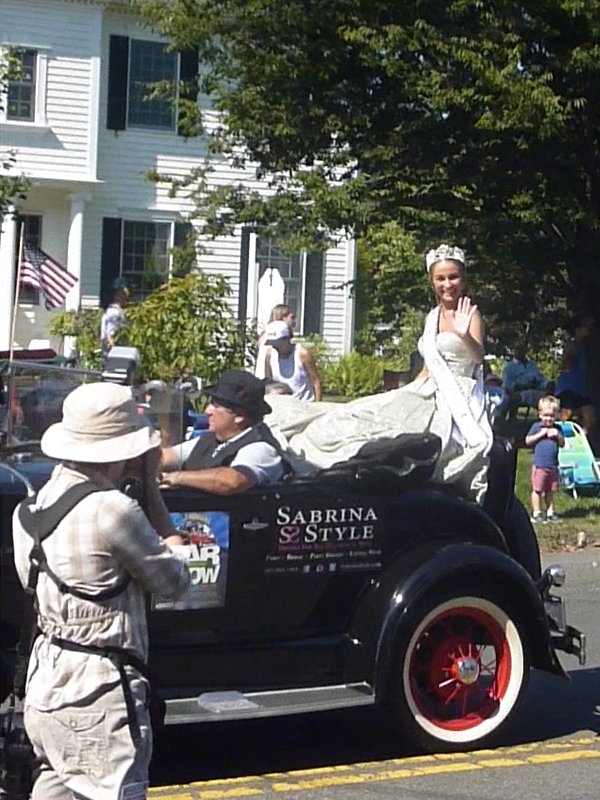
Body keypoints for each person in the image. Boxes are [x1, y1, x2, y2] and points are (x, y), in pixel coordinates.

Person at [11, 382, 191, 800]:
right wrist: (152, 491)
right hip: (99, 694)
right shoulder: (112, 509)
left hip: (45, 686)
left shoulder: (29, 510)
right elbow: (176, 583)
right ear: (122, 450)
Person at [266, 244, 493, 503]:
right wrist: (403, 394)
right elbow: (428, 368)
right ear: (432, 282)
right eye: (440, 278)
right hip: (427, 387)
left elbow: (478, 358)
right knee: (361, 412)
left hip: (456, 395)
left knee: (394, 432)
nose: (447, 284)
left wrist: (464, 335)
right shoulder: (432, 317)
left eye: (453, 277)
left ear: (463, 279)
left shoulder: (471, 315)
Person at [160, 369, 290, 493]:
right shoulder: (212, 438)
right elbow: (169, 456)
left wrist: (177, 477)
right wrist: (149, 461)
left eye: (216, 406)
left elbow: (233, 481)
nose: (207, 411)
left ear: (239, 416)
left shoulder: (260, 448)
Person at [525, 395, 565, 523]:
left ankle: (550, 511)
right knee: (537, 489)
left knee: (550, 490)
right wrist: (540, 434)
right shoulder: (537, 427)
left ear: (556, 415)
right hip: (540, 465)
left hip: (552, 465)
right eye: (546, 415)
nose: (549, 419)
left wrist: (558, 436)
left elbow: (562, 444)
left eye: (552, 416)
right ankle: (537, 512)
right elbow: (528, 441)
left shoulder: (557, 428)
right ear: (540, 415)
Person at [556, 315, 596, 437]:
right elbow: (565, 360)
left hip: (580, 390)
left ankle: (580, 440)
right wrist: (568, 365)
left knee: (590, 418)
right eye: (586, 327)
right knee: (565, 416)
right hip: (569, 388)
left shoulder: (583, 346)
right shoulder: (573, 344)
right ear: (578, 329)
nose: (589, 329)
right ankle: (556, 438)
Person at [263, 320, 323, 401]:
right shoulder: (269, 355)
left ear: (287, 339)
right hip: (280, 404)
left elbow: (316, 381)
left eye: (278, 343)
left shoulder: (302, 355)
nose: (275, 346)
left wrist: (318, 404)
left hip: (304, 404)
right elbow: (268, 383)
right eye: (273, 343)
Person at [500, 345, 552, 420]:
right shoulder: (509, 367)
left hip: (535, 389)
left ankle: (548, 416)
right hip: (519, 393)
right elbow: (507, 384)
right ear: (514, 352)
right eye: (518, 349)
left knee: (547, 394)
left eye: (522, 349)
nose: (520, 352)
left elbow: (541, 379)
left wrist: (547, 384)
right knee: (527, 395)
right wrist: (519, 386)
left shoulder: (532, 365)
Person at [254, 304, 296, 378]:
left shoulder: (267, 335)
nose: (294, 321)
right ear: (283, 317)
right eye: (292, 317)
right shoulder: (271, 338)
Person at [100, 277, 130, 365]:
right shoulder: (114, 312)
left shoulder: (117, 310)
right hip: (115, 356)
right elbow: (111, 335)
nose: (128, 292)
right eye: (126, 288)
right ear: (120, 292)